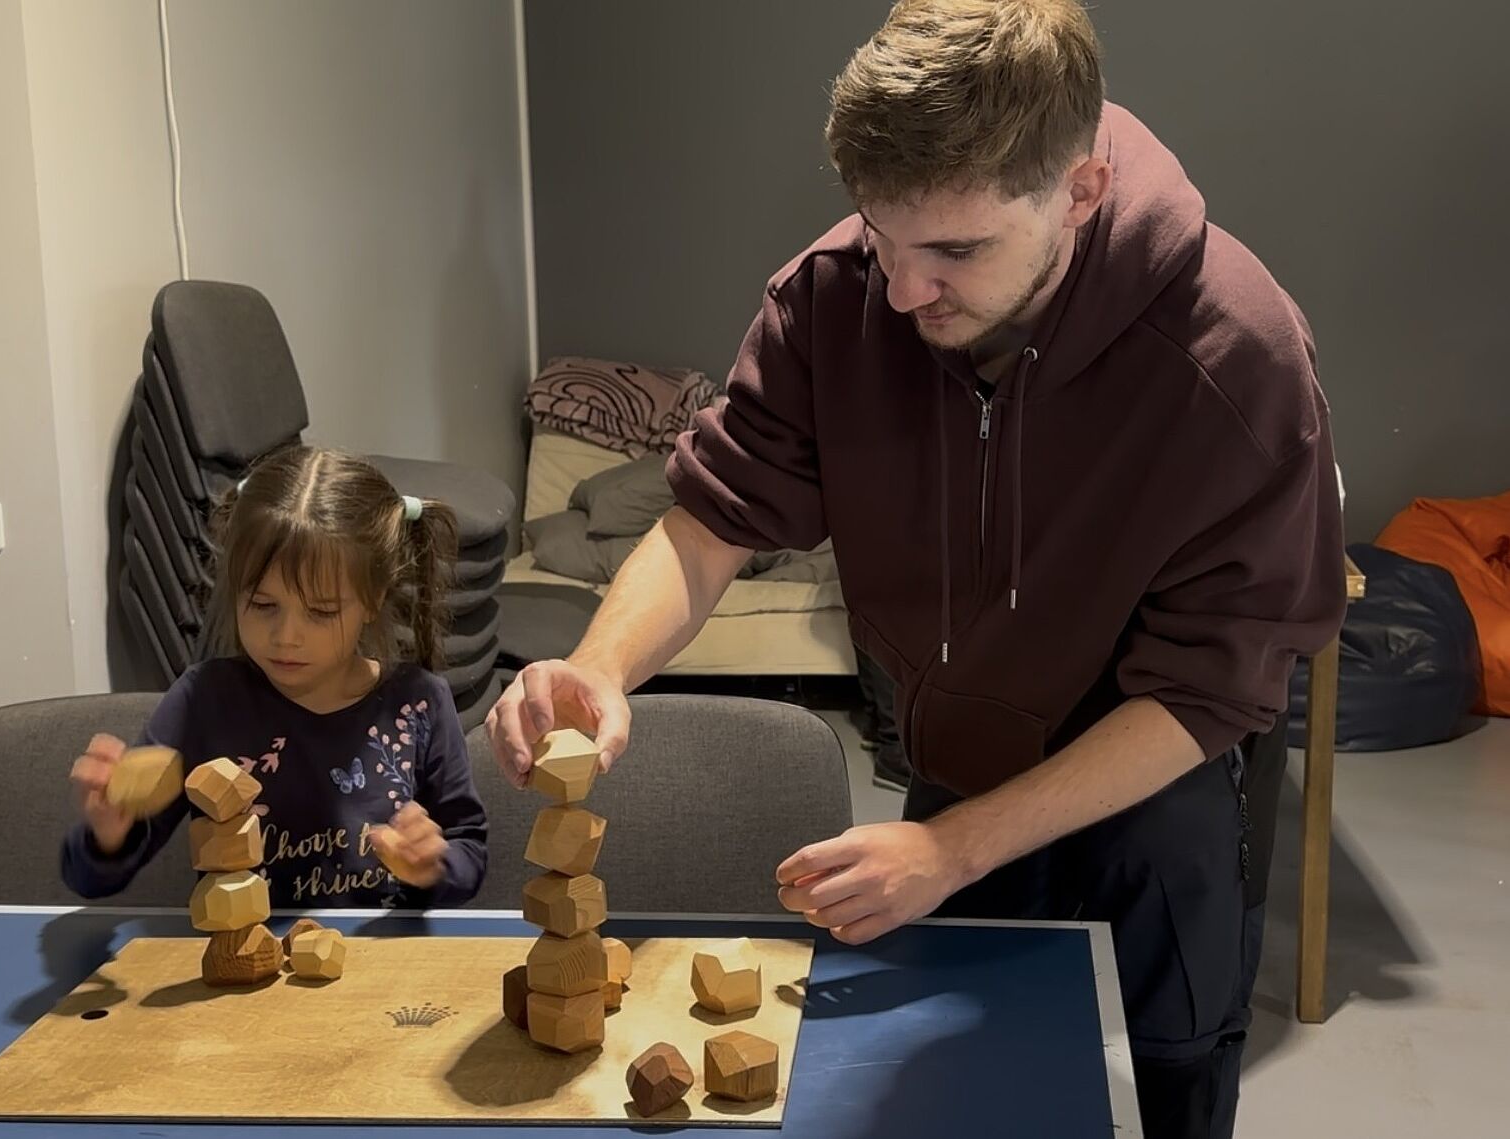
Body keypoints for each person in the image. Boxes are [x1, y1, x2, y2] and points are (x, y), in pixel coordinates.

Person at [485, 1, 1344, 1135]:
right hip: (959, 738)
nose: (900, 291)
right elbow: (707, 525)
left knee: (1167, 1064)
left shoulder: (1231, 355)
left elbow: (1205, 689)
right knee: (954, 1074)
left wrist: (953, 844)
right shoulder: (832, 300)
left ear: (1078, 191)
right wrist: (599, 664)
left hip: (1153, 771)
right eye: (881, 237)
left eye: (954, 249)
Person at [63, 445, 488, 909]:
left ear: (372, 600)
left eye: (321, 612)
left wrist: (434, 863)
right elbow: (92, 879)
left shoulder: (419, 702)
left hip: (380, 968)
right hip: (243, 964)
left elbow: (470, 850)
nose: (286, 636)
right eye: (263, 605)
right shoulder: (204, 701)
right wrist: (107, 835)